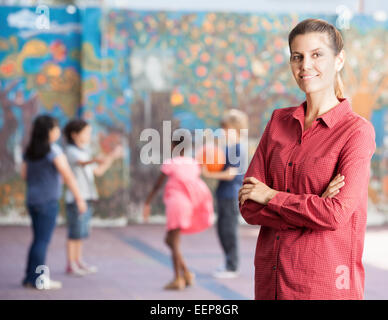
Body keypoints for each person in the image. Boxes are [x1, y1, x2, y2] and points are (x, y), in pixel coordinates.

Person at [238, 18, 376, 300]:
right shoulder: (278, 121)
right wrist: (314, 207)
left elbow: (336, 214)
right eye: (297, 57)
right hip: (271, 281)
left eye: (317, 55)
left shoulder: (356, 132)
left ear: (339, 60)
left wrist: (272, 197)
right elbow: (249, 206)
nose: (305, 66)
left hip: (322, 285)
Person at [21, 115, 87, 290]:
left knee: (37, 240)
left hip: (32, 199)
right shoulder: (53, 151)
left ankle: (30, 276)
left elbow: (24, 175)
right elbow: (68, 176)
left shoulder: (29, 151)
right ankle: (39, 279)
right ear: (48, 131)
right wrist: (79, 199)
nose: (58, 132)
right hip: (47, 201)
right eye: (56, 128)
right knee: (42, 241)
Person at [143, 134, 214, 290]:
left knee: (173, 242)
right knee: (170, 240)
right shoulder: (194, 163)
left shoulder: (171, 163)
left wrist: (147, 202)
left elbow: (157, 185)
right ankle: (187, 273)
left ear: (173, 146)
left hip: (176, 205)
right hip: (188, 204)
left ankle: (178, 279)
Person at [63, 119, 123, 276]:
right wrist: (95, 159)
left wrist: (111, 157)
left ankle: (78, 261)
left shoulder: (85, 150)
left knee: (81, 232)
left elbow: (98, 171)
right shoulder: (71, 151)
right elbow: (82, 163)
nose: (90, 135)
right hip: (76, 198)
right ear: (74, 135)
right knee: (74, 232)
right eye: (86, 133)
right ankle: (71, 263)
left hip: (87, 197)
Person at [201, 109, 248, 278]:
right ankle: (228, 262)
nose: (223, 131)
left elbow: (231, 173)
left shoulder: (238, 147)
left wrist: (209, 174)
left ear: (236, 128)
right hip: (223, 193)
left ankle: (232, 266)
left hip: (231, 194)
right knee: (222, 229)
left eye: (226, 128)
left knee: (229, 230)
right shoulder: (228, 147)